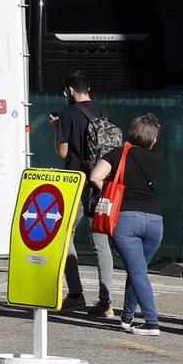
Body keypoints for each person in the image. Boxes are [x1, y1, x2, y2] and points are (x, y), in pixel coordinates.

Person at [90, 114, 165, 336]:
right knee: (138, 271)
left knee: (137, 272)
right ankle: (127, 316)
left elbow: (95, 176)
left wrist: (110, 186)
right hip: (154, 220)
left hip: (126, 218)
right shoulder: (158, 157)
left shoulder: (117, 154)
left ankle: (152, 322)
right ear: (152, 139)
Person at [52, 71, 120, 317]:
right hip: (101, 181)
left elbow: (62, 152)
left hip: (76, 181)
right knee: (101, 240)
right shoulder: (103, 110)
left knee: (65, 235)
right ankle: (106, 301)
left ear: (70, 90)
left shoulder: (68, 115)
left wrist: (56, 128)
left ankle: (76, 293)